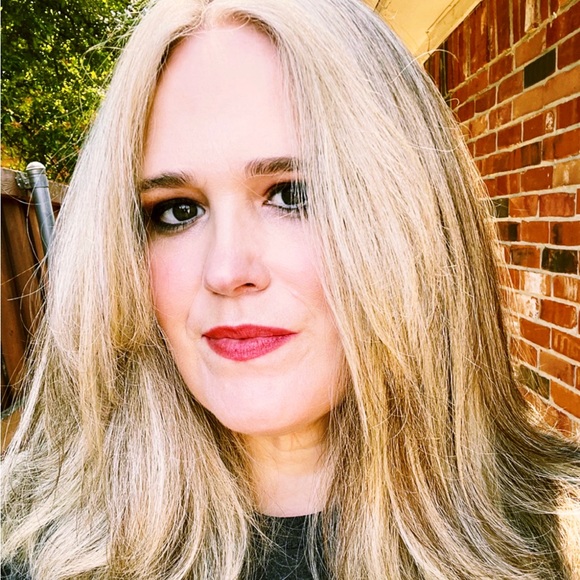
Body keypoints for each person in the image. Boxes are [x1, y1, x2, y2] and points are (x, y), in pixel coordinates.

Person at [2, 0, 579, 578]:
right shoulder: (40, 553)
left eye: (292, 195)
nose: (226, 270)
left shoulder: (561, 536)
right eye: (177, 210)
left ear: (413, 217)